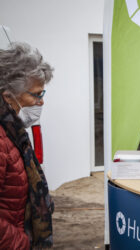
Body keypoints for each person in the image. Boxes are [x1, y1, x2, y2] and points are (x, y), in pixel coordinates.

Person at [0, 42, 54, 249]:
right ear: (8, 96)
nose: (41, 102)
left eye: (43, 93)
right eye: (36, 94)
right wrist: (21, 242)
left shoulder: (13, 129)